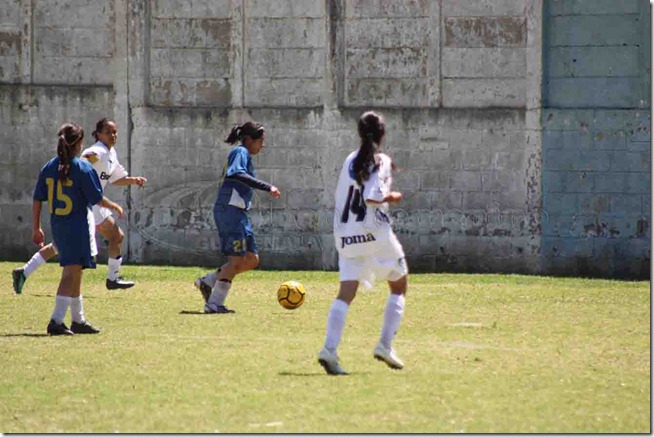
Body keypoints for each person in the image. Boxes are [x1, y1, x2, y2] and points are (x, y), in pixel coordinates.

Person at [317, 111, 409, 375]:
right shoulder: (380, 161)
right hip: (374, 234)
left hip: (346, 235)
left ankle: (329, 350)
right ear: (382, 134)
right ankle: (385, 345)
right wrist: (392, 196)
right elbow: (372, 197)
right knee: (399, 285)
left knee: (345, 293)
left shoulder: (349, 160)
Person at [12, 118, 147, 293]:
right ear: (98, 134)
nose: (113, 135)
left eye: (115, 132)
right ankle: (111, 279)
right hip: (91, 203)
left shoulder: (110, 153)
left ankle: (24, 271)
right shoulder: (98, 150)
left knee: (60, 245)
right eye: (108, 132)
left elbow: (115, 178)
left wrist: (134, 180)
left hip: (95, 203)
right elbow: (85, 158)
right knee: (116, 237)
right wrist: (79, 162)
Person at [33, 123, 124, 335]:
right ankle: (56, 320)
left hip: (59, 225)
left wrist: (36, 227)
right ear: (79, 143)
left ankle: (78, 320)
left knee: (76, 272)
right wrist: (115, 206)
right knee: (71, 273)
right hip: (77, 226)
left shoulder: (48, 166)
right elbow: (97, 198)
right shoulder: (82, 168)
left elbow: (38, 198)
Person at [194, 121, 281, 313]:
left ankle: (208, 281)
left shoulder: (244, 154)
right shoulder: (240, 152)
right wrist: (267, 187)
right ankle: (215, 304)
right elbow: (236, 174)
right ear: (249, 140)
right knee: (236, 261)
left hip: (238, 213)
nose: (262, 145)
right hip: (230, 211)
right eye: (260, 140)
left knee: (251, 259)